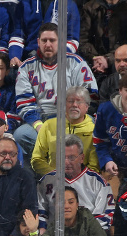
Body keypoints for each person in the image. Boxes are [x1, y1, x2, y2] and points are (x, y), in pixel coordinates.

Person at [13, 24, 99, 159]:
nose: (48, 44)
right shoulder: (26, 67)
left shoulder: (76, 63)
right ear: (38, 42)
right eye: (44, 40)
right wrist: (38, 126)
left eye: (52, 40)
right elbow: (24, 103)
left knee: (91, 126)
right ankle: (50, 165)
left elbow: (90, 94)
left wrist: (73, 119)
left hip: (71, 119)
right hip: (41, 121)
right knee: (20, 135)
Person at [36, 135, 114, 232]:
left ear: (82, 158)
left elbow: (105, 216)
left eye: (71, 157)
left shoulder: (99, 183)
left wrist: (82, 233)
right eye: (62, 157)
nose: (66, 162)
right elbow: (40, 212)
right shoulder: (46, 181)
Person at [9, 0, 80, 63]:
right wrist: (15, 56)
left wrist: (57, 58)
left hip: (57, 61)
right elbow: (17, 36)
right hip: (28, 59)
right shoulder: (25, 4)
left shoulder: (70, 6)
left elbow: (72, 40)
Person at [32, 87, 100, 177]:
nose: (75, 105)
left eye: (79, 102)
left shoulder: (94, 131)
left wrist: (77, 180)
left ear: (87, 107)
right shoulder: (48, 125)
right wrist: (56, 176)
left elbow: (94, 166)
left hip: (83, 182)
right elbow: (37, 159)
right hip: (52, 179)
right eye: (71, 101)